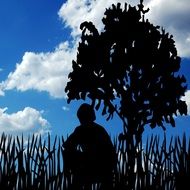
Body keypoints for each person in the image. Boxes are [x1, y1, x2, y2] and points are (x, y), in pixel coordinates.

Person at [63, 103, 116, 190]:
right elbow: (67, 146)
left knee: (69, 154)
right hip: (97, 165)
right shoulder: (96, 129)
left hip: (100, 165)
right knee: (69, 153)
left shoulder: (84, 129)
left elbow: (67, 146)